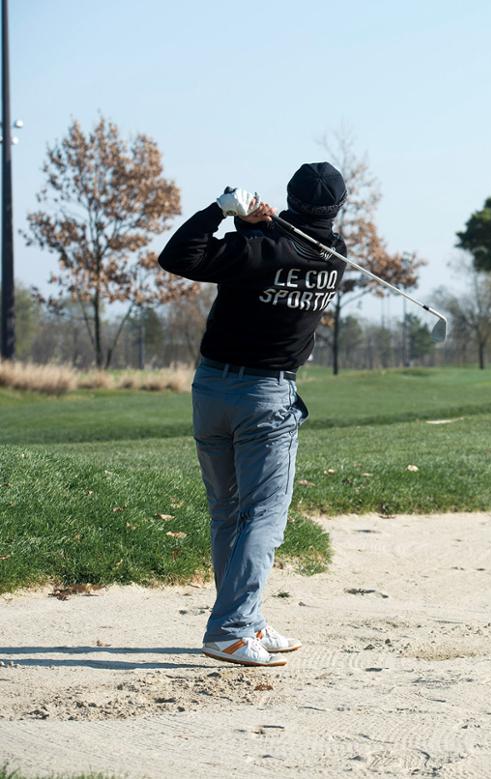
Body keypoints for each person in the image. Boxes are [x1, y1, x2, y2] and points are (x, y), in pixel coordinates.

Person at [158, 162, 348, 667]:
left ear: (291, 200)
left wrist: (224, 211)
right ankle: (232, 628)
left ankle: (246, 619)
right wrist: (254, 225)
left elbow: (177, 256)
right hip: (267, 397)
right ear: (337, 209)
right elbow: (288, 250)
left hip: (212, 388)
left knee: (230, 512)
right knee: (262, 516)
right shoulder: (334, 254)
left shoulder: (258, 246)